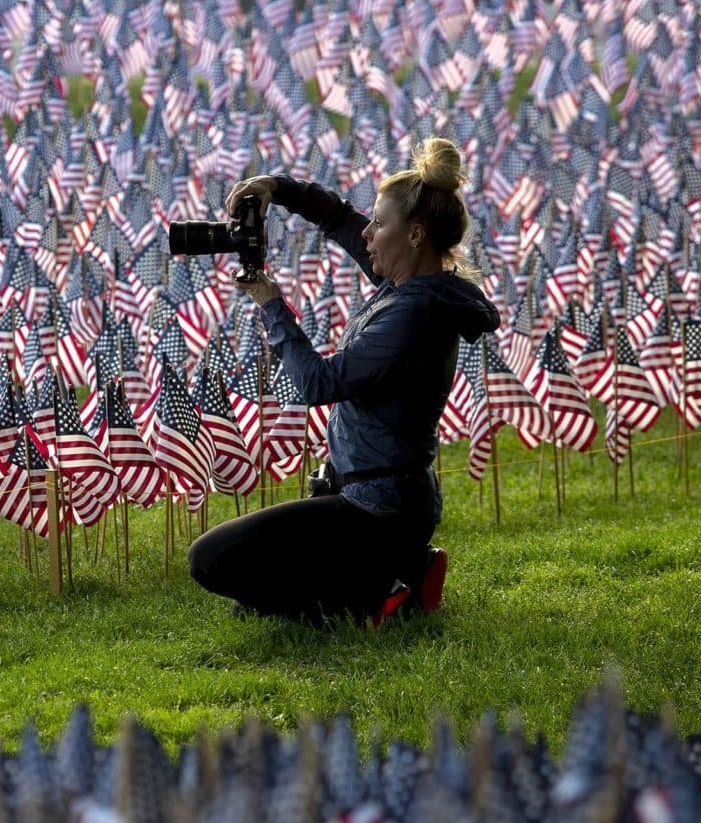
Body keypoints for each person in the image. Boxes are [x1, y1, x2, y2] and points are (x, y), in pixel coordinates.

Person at [186, 138, 500, 624]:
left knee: (209, 561)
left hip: (377, 511)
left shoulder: (413, 316)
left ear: (415, 236)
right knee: (249, 603)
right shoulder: (408, 287)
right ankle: (398, 574)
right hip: (372, 496)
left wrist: (272, 304)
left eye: (379, 222)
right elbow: (335, 216)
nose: (368, 233)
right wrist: (275, 188)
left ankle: (375, 598)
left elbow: (318, 383)